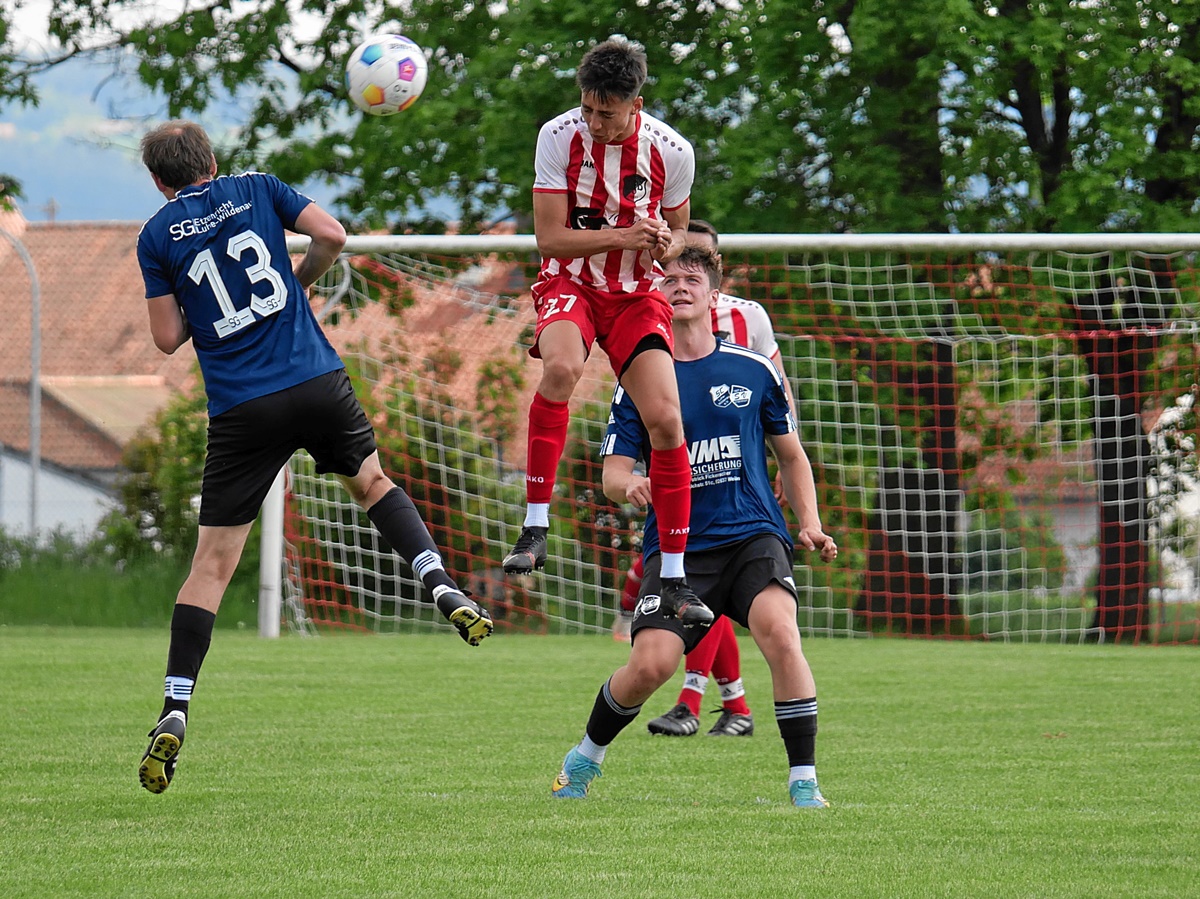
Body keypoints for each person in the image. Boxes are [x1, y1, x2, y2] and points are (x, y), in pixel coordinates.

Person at [133, 121, 494, 794]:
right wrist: (295, 281)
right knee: (372, 481)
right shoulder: (258, 188)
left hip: (244, 407)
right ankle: (440, 581)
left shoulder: (155, 236)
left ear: (159, 181)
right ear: (212, 159)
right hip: (313, 379)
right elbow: (332, 235)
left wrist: (201, 311)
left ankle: (176, 704)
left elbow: (164, 338)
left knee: (211, 566)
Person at [551, 246, 838, 808]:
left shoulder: (753, 370)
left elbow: (792, 455)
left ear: (713, 296)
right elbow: (610, 473)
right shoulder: (637, 379)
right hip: (679, 549)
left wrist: (809, 523)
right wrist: (630, 484)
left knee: (781, 634)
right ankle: (585, 758)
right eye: (668, 280)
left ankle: (803, 781)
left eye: (691, 279)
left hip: (753, 533)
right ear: (654, 296)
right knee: (651, 665)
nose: (678, 287)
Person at [500, 38, 711, 628]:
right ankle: (535, 525)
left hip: (638, 296)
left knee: (667, 421)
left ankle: (672, 577)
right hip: (571, 284)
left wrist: (665, 244)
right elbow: (549, 240)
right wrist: (622, 237)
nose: (594, 121)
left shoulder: (673, 152)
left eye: (607, 112)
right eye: (588, 108)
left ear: (635, 103)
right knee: (562, 368)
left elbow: (676, 237)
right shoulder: (556, 136)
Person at [619, 219, 799, 739]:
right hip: (678, 484)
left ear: (713, 272)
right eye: (675, 264)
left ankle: (703, 702)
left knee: (720, 587)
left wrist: (789, 456)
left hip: (737, 484)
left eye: (697, 262)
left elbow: (776, 384)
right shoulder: (652, 319)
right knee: (692, 594)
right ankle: (725, 702)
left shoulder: (749, 318)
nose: (684, 276)